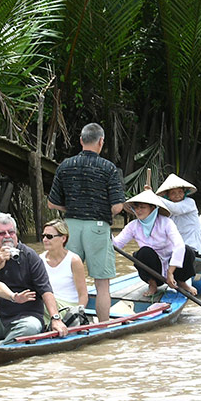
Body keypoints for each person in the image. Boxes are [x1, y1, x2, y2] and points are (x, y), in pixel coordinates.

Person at [48, 123, 125, 323]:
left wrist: (73, 209)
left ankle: (63, 320)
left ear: (81, 141)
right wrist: (98, 210)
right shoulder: (108, 168)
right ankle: (103, 326)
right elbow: (117, 207)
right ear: (101, 142)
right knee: (102, 285)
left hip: (69, 227)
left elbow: (52, 203)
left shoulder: (65, 165)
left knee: (68, 278)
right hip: (98, 228)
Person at [0, 211, 68, 345]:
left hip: (25, 318)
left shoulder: (30, 256)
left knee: (30, 328)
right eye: (2, 233)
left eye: (11, 232)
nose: (7, 236)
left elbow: (45, 290)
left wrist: (55, 318)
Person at [113, 190, 197, 296]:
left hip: (173, 268)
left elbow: (179, 245)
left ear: (152, 208)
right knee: (143, 252)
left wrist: (170, 272)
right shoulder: (133, 226)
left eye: (142, 207)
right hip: (153, 270)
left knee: (187, 250)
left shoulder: (166, 222)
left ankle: (181, 282)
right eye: (136, 208)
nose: (138, 211)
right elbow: (116, 245)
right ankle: (152, 284)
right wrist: (106, 230)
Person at [39, 219, 88, 326]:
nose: (45, 239)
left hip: (67, 307)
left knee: (38, 301)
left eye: (49, 236)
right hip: (48, 305)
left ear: (63, 238)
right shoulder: (40, 259)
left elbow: (83, 294)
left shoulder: (73, 260)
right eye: (43, 236)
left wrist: (77, 315)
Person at [155, 174, 201, 255]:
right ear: (168, 196)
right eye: (173, 193)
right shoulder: (165, 209)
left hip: (192, 249)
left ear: (184, 192)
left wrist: (154, 197)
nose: (177, 195)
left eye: (180, 192)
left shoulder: (190, 202)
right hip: (175, 250)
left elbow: (176, 209)